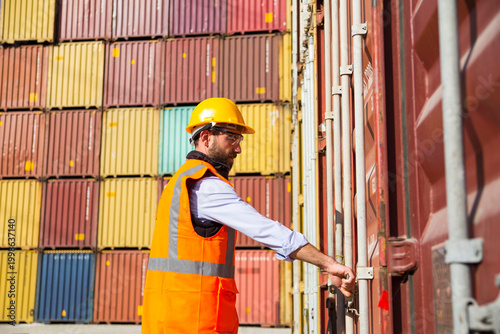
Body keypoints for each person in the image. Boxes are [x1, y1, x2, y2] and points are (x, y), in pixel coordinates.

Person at [142, 98, 355, 334]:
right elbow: (266, 231)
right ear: (206, 137)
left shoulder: (179, 181)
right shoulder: (206, 185)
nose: (238, 148)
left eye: (239, 139)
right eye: (231, 137)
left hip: (166, 319)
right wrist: (330, 265)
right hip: (196, 320)